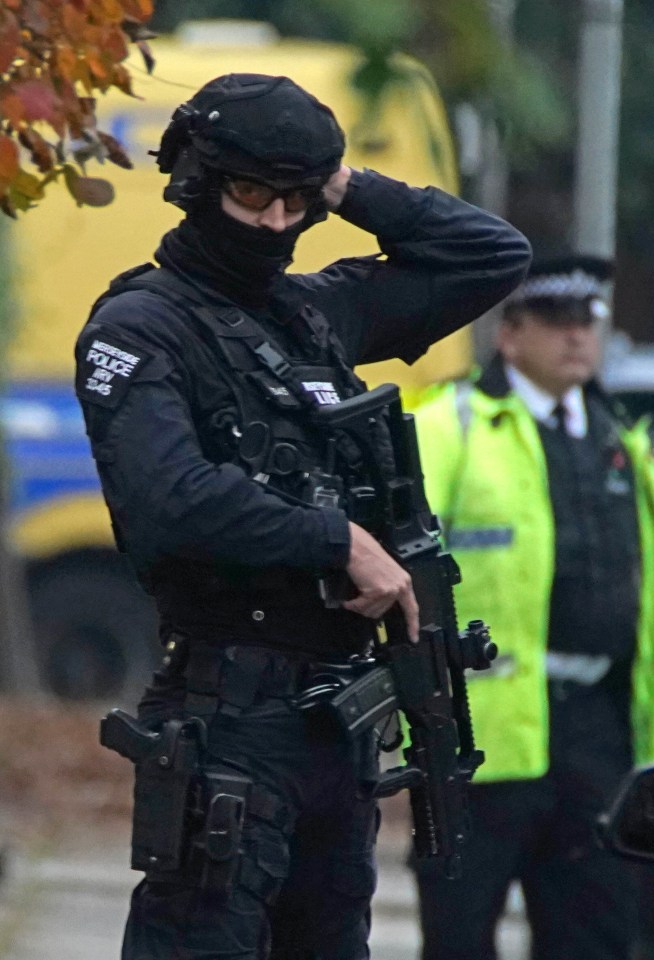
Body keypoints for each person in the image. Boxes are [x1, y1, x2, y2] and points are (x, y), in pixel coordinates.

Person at [74, 73, 531, 960]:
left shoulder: (312, 312)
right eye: (253, 195)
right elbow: (169, 499)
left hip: (336, 727)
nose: (277, 225)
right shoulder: (142, 328)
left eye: (297, 202)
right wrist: (337, 541)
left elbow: (490, 255)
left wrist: (345, 185)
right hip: (227, 724)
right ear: (198, 182)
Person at [411, 255, 654, 960]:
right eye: (555, 323)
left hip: (598, 728)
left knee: (597, 933)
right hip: (481, 733)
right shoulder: (452, 427)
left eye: (586, 323)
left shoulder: (622, 442)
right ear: (510, 336)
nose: (575, 339)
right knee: (459, 936)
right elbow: (396, 560)